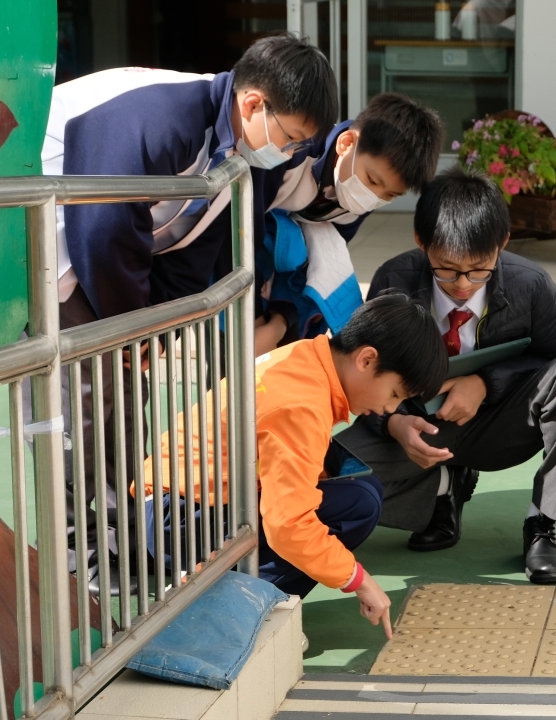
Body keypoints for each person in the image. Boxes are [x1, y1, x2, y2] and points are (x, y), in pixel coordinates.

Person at [40, 33, 338, 587]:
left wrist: (155, 331)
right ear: (254, 104)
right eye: (292, 138)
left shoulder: (239, 147)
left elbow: (195, 251)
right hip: (54, 250)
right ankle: (82, 553)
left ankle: (124, 536)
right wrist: (133, 324)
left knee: (126, 399)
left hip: (99, 267)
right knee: (86, 400)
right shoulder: (165, 116)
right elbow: (102, 229)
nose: (293, 154)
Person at [335, 167, 556, 585]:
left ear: (502, 244)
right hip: (416, 427)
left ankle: (543, 522)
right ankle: (442, 489)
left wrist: (484, 383)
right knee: (330, 476)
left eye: (479, 269)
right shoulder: (394, 280)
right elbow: (368, 376)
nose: (463, 284)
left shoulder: (532, 285)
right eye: (446, 269)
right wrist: (394, 424)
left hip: (502, 425)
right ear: (421, 242)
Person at [254, 290, 446, 631]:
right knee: (358, 503)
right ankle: (240, 606)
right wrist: (356, 578)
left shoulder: (305, 357)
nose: (390, 408)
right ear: (366, 359)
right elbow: (288, 524)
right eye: (394, 394)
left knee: (358, 490)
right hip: (182, 521)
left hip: (188, 501)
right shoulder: (303, 405)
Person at [257, 92, 445, 351]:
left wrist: (278, 323)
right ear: (346, 144)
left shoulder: (357, 198)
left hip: (278, 289)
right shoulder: (295, 149)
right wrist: (255, 319)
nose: (373, 197)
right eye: (373, 180)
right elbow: (240, 230)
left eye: (390, 195)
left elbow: (318, 261)